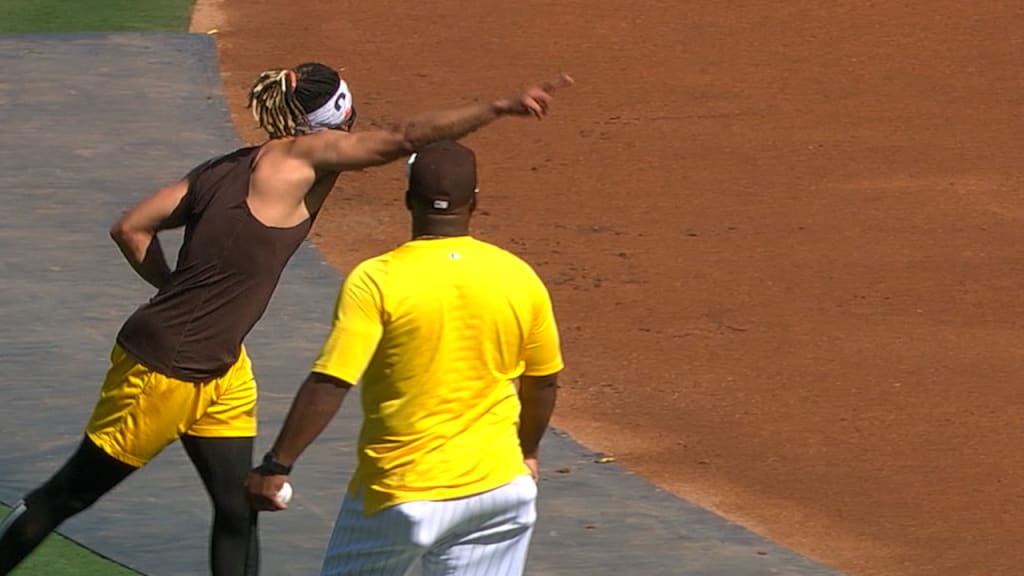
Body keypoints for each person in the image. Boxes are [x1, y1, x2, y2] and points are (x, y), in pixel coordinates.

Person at [0, 62, 573, 576]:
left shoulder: (224, 167)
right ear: (336, 120)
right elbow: (402, 139)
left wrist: (178, 289)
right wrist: (499, 107)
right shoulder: (305, 156)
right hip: (163, 368)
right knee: (68, 496)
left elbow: (130, 226)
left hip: (222, 370)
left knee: (237, 508)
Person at [246, 140, 564, 576]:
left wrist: (277, 463)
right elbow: (543, 382)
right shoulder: (519, 278)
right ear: (474, 203)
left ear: (408, 200)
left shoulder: (377, 280)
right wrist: (526, 451)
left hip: (399, 494)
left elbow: (332, 381)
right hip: (499, 490)